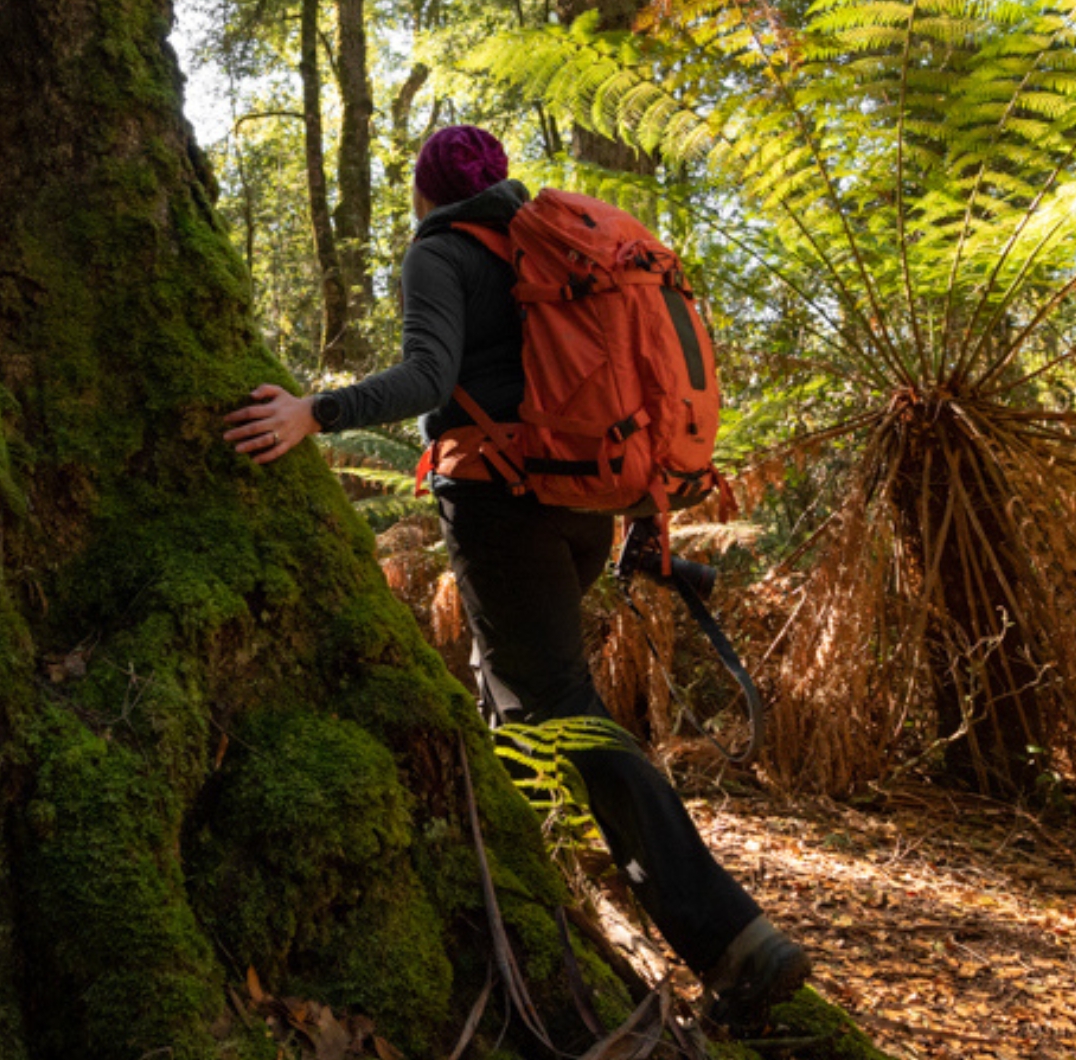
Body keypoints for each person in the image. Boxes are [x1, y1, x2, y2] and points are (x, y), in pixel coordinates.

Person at [222, 124, 811, 1034]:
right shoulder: (551, 245)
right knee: (512, 701)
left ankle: (734, 939)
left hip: (502, 507)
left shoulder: (441, 254)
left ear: (426, 193)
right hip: (578, 512)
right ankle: (522, 879)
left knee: (566, 716)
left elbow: (427, 376)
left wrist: (317, 411)